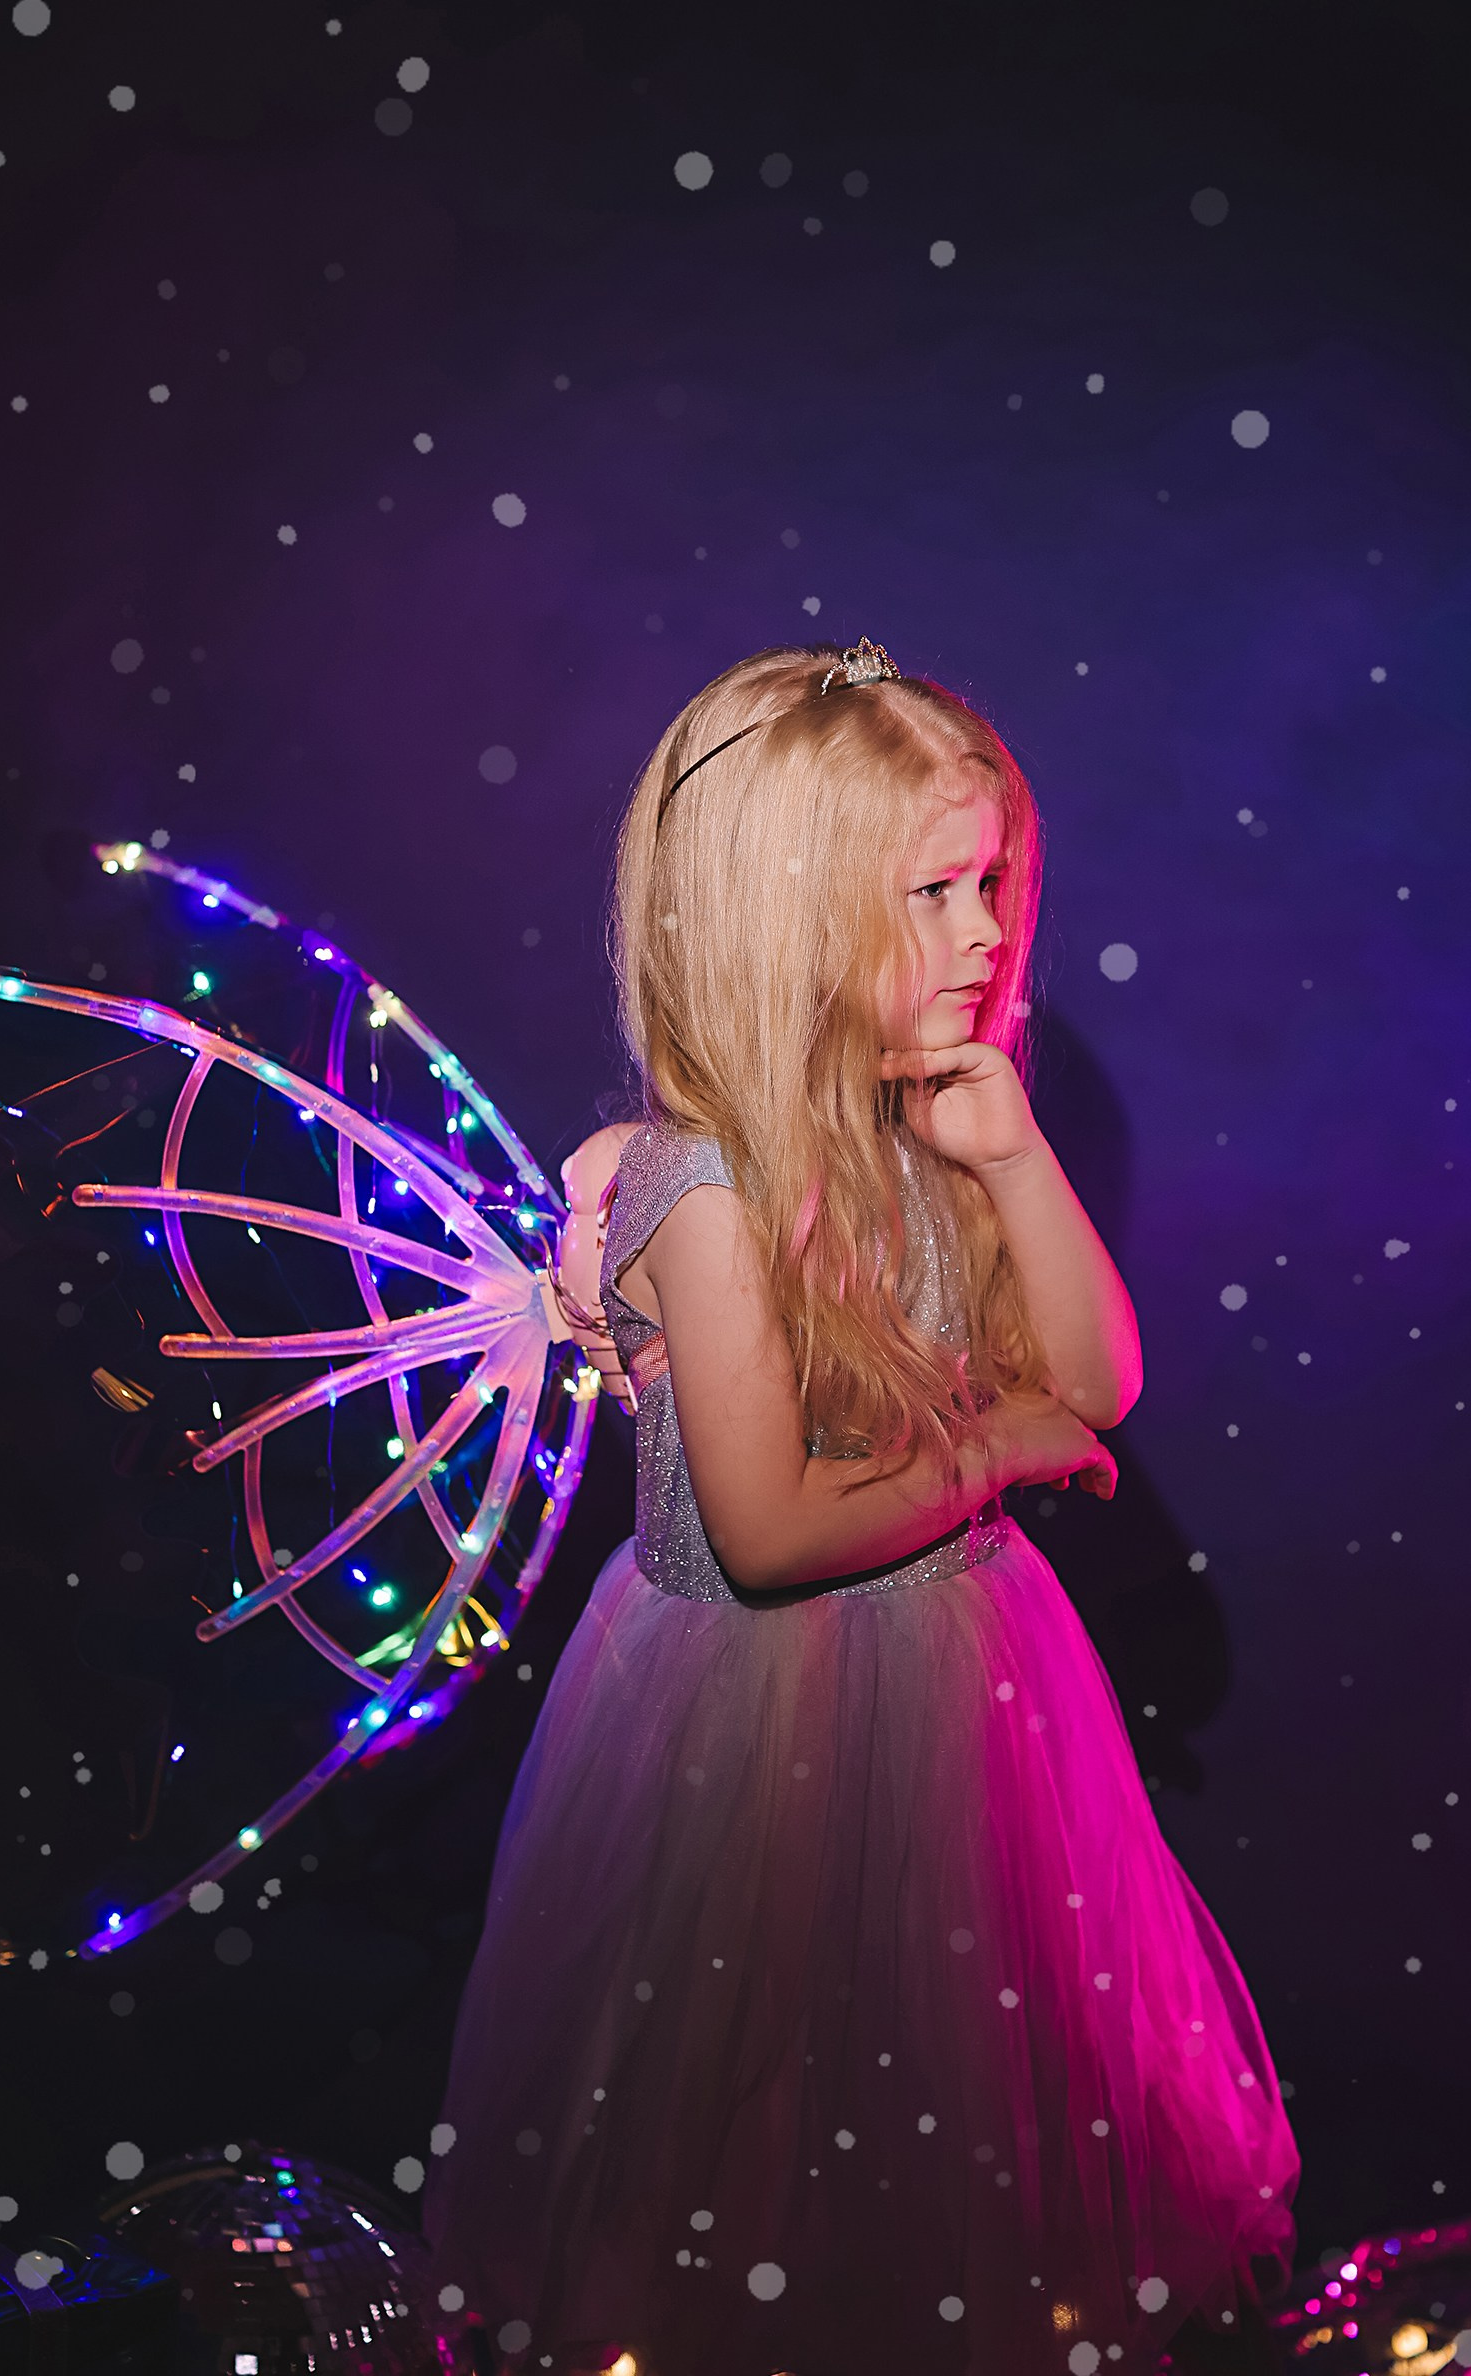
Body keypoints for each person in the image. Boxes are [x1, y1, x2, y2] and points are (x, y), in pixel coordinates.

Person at [422, 640, 1300, 2376]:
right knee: (763, 2114)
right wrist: (1001, 1448)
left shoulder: (927, 1126)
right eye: (935, 893)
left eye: (994, 885)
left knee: (955, 2107)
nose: (986, 933)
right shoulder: (699, 1184)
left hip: (967, 1682)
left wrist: (1013, 1156)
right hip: (756, 1722)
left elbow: (1099, 1377)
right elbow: (767, 1532)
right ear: (793, 914)